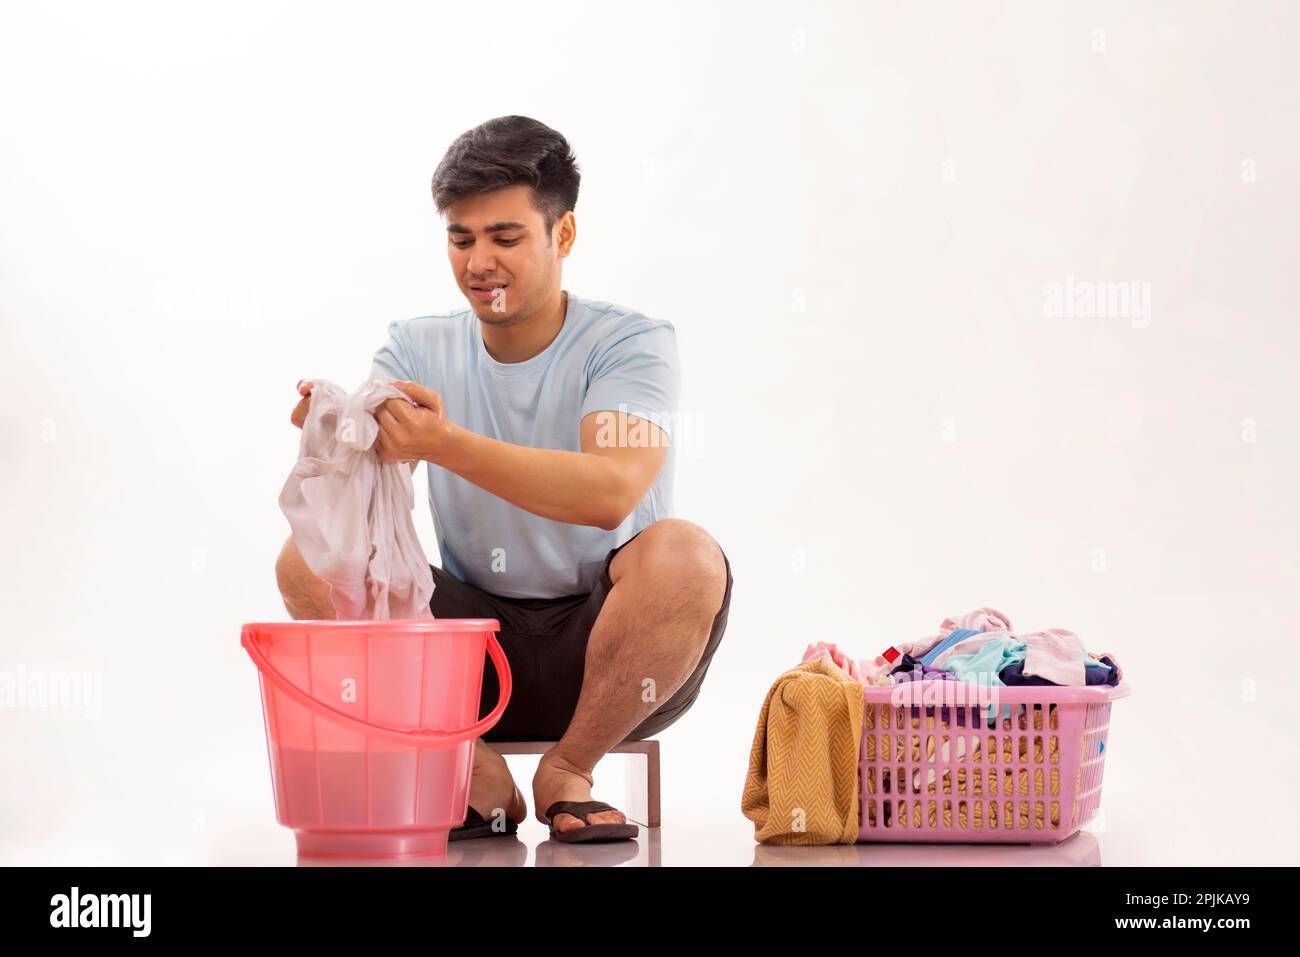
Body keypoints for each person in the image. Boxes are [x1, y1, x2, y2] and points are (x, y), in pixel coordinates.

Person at [275, 115, 733, 844]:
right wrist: (340, 428)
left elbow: (611, 489)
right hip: (467, 656)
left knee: (687, 554)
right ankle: (465, 760)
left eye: (505, 237)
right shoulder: (415, 345)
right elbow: (363, 487)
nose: (479, 261)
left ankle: (570, 770)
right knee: (305, 557)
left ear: (564, 236)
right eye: (461, 239)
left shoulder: (631, 342)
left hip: (610, 650)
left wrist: (447, 443)